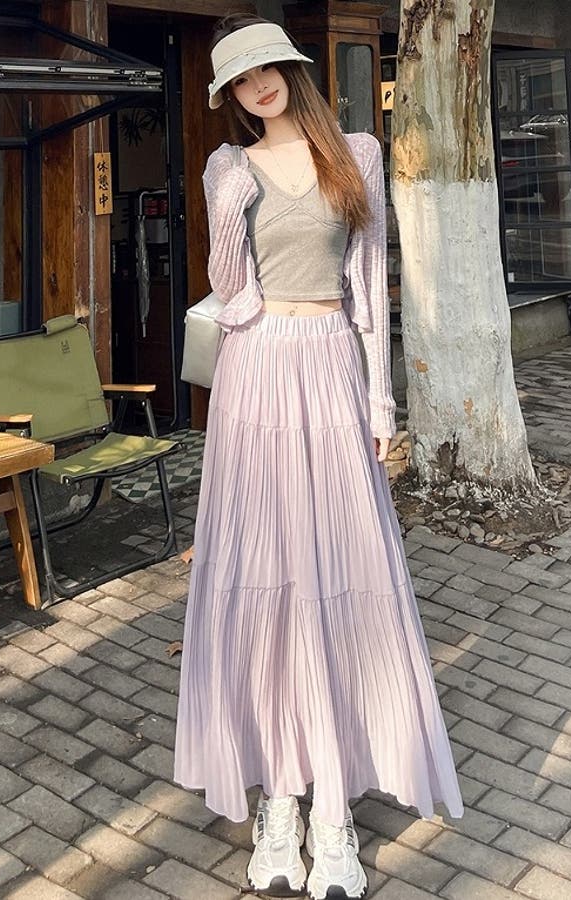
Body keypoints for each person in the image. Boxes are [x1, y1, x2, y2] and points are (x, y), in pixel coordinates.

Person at [173, 14, 464, 900]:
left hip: (332, 362)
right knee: (264, 574)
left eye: (266, 67)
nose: (256, 86)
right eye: (238, 79)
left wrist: (381, 399)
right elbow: (230, 293)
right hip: (256, 372)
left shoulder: (358, 154)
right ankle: (280, 799)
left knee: (340, 570)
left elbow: (368, 287)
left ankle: (333, 812)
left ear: (292, 70)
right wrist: (229, 214)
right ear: (229, 95)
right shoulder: (227, 166)